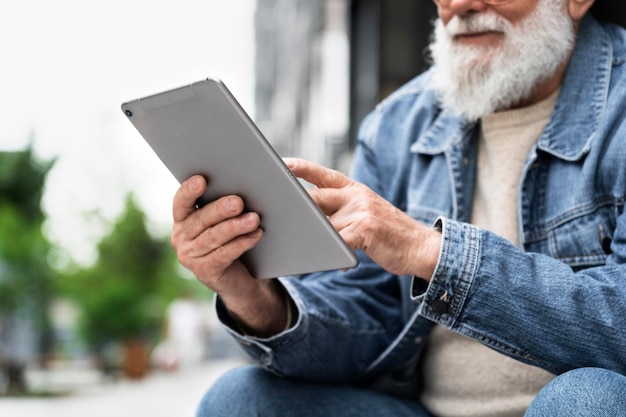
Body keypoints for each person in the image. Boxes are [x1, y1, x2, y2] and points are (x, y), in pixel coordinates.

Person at [171, 0, 626, 415]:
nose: (461, 5)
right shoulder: (396, 124)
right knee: (238, 399)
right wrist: (252, 297)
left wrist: (434, 254)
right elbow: (364, 322)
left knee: (587, 400)